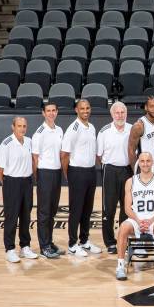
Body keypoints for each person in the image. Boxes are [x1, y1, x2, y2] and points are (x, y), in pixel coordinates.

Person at [115, 152, 154, 281]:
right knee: (123, 228)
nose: (145, 164)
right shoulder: (130, 181)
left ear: (152, 162)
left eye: (148, 161)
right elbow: (127, 208)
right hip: (136, 219)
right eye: (142, 161)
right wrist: (139, 221)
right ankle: (120, 265)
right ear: (138, 163)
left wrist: (150, 221)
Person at [61, 99, 101, 256]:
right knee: (76, 209)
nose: (85, 111)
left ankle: (84, 240)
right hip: (76, 172)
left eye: (88, 108)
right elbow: (64, 155)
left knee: (87, 209)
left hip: (91, 171)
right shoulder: (73, 128)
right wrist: (69, 175)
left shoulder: (91, 127)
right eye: (82, 108)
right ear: (76, 110)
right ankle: (72, 243)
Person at [0, 117, 37, 263]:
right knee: (11, 217)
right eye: (19, 126)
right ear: (13, 127)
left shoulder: (29, 141)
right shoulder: (6, 144)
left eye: (24, 126)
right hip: (11, 183)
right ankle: (10, 249)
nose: (22, 129)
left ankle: (25, 247)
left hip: (27, 182)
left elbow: (33, 162)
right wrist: (7, 184)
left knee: (26, 216)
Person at [97, 101, 133, 254]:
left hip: (127, 170)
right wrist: (108, 167)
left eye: (122, 112)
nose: (120, 115)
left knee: (127, 208)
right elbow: (99, 156)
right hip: (110, 171)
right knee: (109, 208)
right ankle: (110, 242)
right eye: (117, 113)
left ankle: (124, 239)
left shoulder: (133, 129)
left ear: (126, 113)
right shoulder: (104, 132)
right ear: (112, 115)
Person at [32, 103, 64, 258]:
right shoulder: (39, 133)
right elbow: (35, 158)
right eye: (48, 111)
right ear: (43, 113)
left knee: (52, 211)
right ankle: (44, 246)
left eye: (53, 110)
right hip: (44, 174)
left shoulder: (59, 130)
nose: (51, 113)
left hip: (56, 173)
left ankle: (50, 242)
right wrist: (39, 178)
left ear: (57, 112)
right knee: (44, 212)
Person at [128, 96, 154, 177]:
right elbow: (131, 151)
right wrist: (136, 171)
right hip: (145, 166)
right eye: (151, 106)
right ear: (146, 107)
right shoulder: (139, 125)